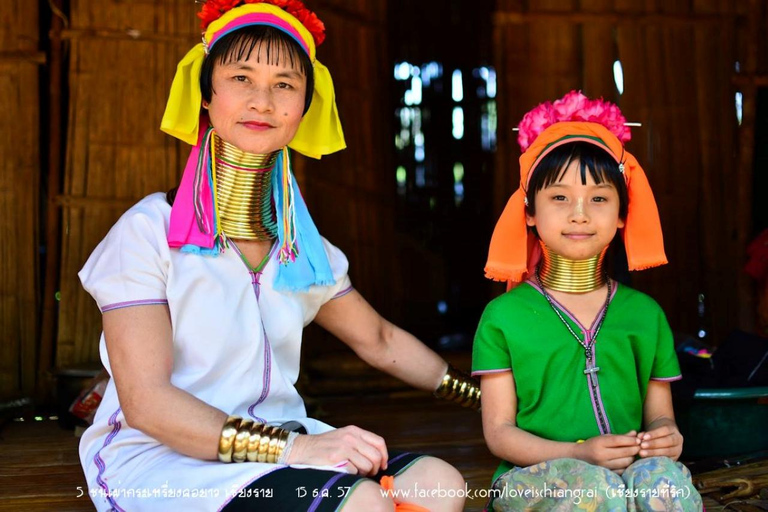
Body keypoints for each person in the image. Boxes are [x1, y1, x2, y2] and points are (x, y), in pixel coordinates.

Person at [77, 1, 479, 510]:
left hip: (282, 443)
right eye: (241, 77)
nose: (262, 101)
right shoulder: (147, 233)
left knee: (441, 485)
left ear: (304, 106)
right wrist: (301, 446)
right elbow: (148, 405)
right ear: (207, 96)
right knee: (363, 504)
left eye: (284, 84)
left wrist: (487, 401)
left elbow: (379, 339)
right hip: (164, 458)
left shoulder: (302, 250)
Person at [472, 91, 703, 511]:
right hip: (532, 478)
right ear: (529, 211)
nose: (580, 213)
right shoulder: (503, 318)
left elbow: (659, 416)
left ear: (621, 214)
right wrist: (580, 455)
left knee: (664, 483)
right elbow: (499, 433)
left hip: (631, 471)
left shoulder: (644, 315)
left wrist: (667, 435)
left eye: (599, 198)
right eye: (559, 198)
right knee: (595, 492)